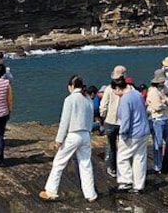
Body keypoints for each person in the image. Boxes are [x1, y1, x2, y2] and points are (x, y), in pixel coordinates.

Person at [39, 75, 97, 203]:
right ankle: (91, 194)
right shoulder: (88, 99)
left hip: (73, 135)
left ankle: (51, 191)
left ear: (71, 86)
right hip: (86, 134)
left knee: (59, 163)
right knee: (85, 164)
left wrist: (58, 140)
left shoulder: (70, 99)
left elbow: (64, 121)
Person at [114, 76, 150, 193]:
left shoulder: (125, 99)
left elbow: (125, 119)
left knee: (122, 157)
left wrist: (123, 134)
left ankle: (126, 181)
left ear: (118, 88)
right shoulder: (137, 94)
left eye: (114, 90)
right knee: (139, 158)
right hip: (144, 130)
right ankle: (139, 186)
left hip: (132, 133)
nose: (114, 92)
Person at [99, 65, 129, 177]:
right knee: (124, 147)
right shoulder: (129, 89)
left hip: (110, 122)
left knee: (112, 147)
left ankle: (113, 169)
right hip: (124, 122)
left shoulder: (108, 89)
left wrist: (103, 117)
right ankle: (124, 170)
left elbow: (103, 107)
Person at [146, 68, 168, 173]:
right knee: (158, 143)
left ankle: (167, 162)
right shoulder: (152, 90)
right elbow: (157, 106)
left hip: (165, 118)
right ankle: (157, 165)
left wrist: (164, 100)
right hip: (157, 119)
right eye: (162, 80)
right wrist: (166, 101)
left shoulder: (164, 88)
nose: (164, 82)